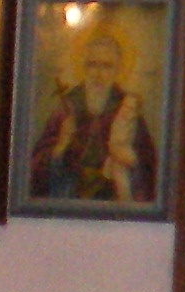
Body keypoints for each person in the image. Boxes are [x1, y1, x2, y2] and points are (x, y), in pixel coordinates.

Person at [27, 26, 156, 203]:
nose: (98, 74)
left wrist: (129, 160)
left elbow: (149, 167)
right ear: (83, 67)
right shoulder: (67, 108)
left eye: (106, 66)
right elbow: (36, 168)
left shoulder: (127, 109)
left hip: (113, 202)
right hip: (71, 199)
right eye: (92, 64)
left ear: (118, 69)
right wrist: (61, 146)